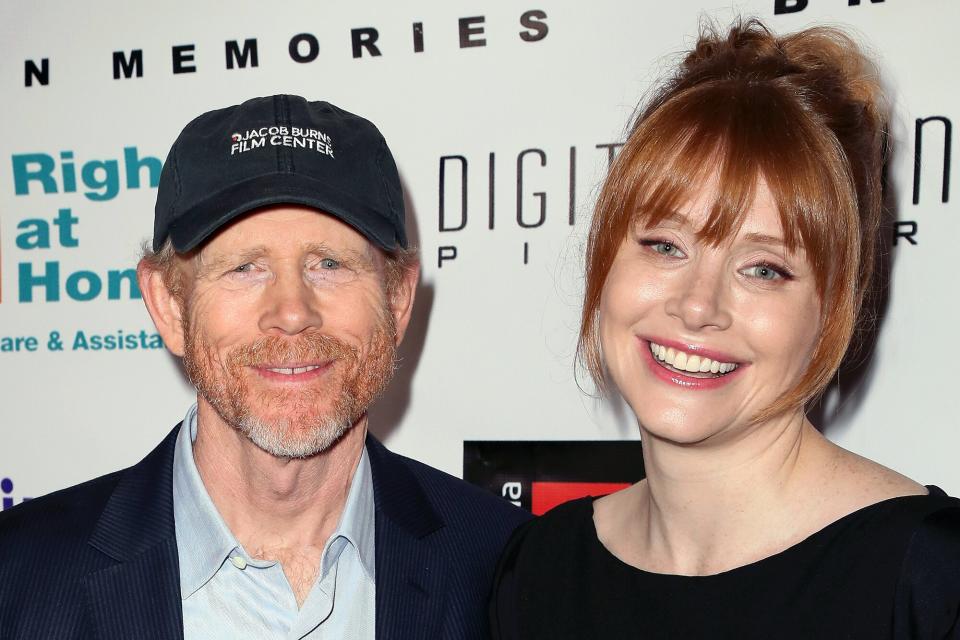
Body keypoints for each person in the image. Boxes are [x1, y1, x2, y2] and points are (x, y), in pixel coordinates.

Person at [490, 20, 960, 639]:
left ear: (834, 308)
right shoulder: (538, 569)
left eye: (764, 268)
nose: (697, 306)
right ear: (604, 259)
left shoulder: (932, 579)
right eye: (664, 245)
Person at [0, 95, 529, 639]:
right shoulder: (14, 581)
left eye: (329, 264)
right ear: (169, 305)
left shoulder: (510, 574)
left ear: (397, 300)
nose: (293, 313)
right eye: (245, 267)